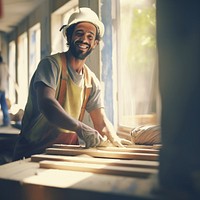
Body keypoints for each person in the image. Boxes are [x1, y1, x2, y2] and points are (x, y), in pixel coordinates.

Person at [13, 7, 131, 160]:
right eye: (79, 33)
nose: (84, 40)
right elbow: (46, 103)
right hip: (32, 153)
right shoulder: (51, 65)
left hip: (63, 154)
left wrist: (114, 137)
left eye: (90, 36)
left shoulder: (90, 80)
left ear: (95, 43)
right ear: (68, 36)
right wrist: (80, 128)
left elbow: (100, 121)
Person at [0, 54, 10, 127]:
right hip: (4, 87)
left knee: (3, 104)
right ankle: (6, 121)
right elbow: (7, 77)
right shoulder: (5, 66)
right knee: (4, 105)